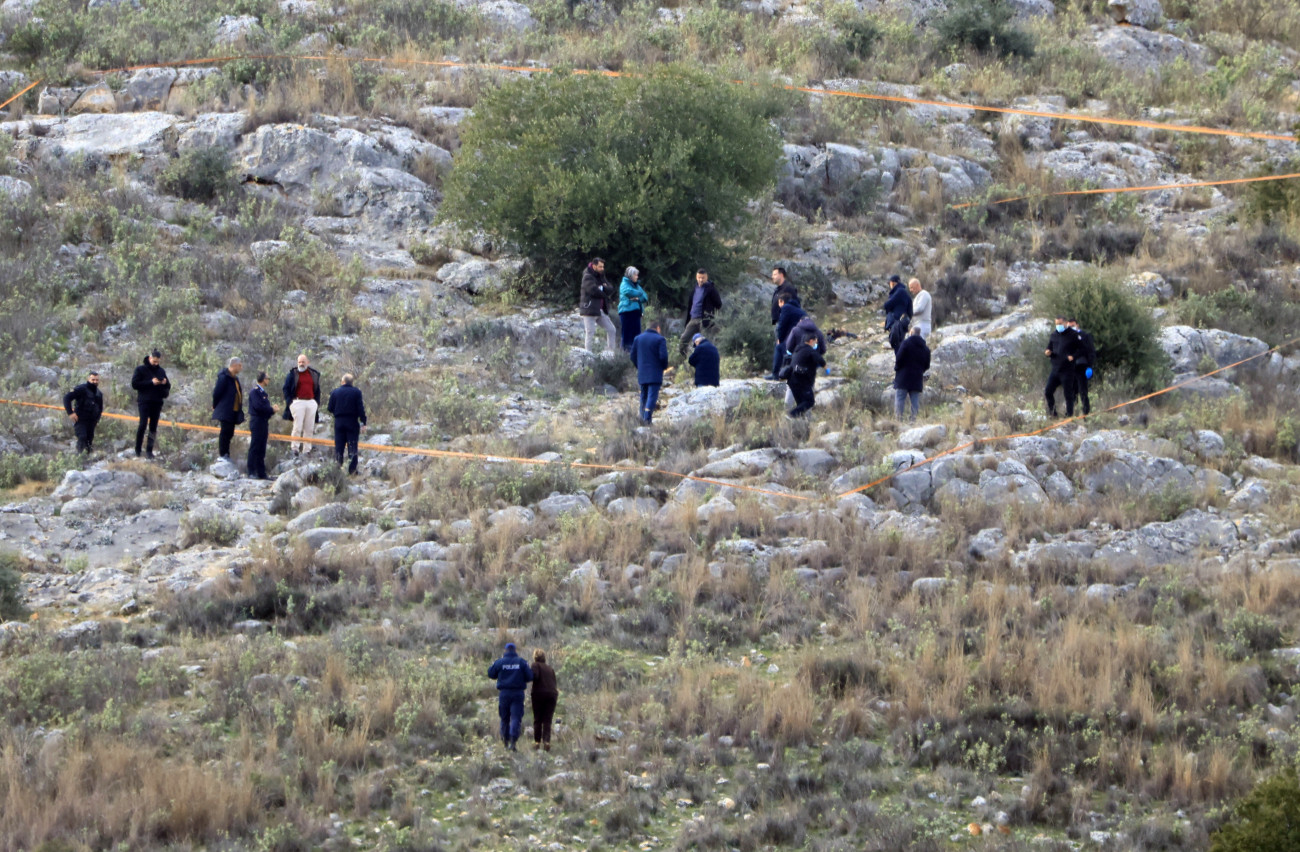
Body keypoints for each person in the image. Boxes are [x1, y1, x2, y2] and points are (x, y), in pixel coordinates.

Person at [487, 642, 533, 751]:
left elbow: (490, 673)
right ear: (515, 651)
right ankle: (513, 742)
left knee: (504, 717)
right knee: (516, 717)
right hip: (517, 693)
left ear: (505, 650)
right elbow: (530, 676)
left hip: (504, 693)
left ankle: (505, 741)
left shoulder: (500, 662)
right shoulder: (521, 662)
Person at [130, 349, 169, 459]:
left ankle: (149, 451)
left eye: (158, 362)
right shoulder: (140, 369)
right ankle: (137, 450)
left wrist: (164, 383)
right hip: (144, 401)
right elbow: (135, 384)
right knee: (142, 424)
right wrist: (150, 382)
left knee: (153, 427)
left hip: (157, 402)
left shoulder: (161, 371)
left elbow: (168, 386)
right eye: (154, 361)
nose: (156, 364)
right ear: (150, 358)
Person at [282, 353, 322, 456]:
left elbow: (317, 390)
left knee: (309, 428)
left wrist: (316, 403)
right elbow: (286, 388)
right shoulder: (293, 374)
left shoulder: (313, 374)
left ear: (307, 362)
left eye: (303, 362)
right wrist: (290, 402)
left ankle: (306, 450)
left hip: (311, 402)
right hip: (298, 402)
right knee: (297, 426)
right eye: (299, 362)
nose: (301, 364)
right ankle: (295, 448)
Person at [630, 320, 669, 424]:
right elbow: (663, 356)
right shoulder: (660, 339)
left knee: (644, 395)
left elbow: (632, 356)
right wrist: (663, 367)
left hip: (642, 373)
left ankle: (642, 418)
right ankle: (647, 419)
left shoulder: (638, 338)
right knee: (652, 396)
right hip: (655, 373)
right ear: (658, 328)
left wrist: (639, 366)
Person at [327, 373, 367, 474]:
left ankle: (337, 470)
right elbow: (360, 409)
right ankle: (352, 470)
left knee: (339, 446)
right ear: (352, 382)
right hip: (352, 422)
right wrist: (363, 422)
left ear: (342, 382)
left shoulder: (335, 392)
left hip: (339, 422)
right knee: (352, 446)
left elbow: (330, 408)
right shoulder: (356, 392)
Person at [579, 257, 618, 354]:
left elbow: (610, 288)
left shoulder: (601, 275)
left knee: (611, 329)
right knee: (590, 332)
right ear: (594, 265)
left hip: (600, 310)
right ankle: (588, 355)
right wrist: (604, 290)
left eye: (603, 266)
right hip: (589, 309)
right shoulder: (587, 276)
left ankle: (610, 352)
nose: (602, 268)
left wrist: (603, 288)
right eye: (600, 266)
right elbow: (593, 290)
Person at [679, 269, 722, 355]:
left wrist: (710, 312)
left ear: (706, 277)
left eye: (703, 278)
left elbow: (718, 304)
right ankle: (683, 359)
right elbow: (691, 304)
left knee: (704, 342)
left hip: (704, 320)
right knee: (683, 339)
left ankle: (706, 359)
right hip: (693, 318)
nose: (701, 280)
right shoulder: (695, 289)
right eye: (699, 277)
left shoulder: (711, 289)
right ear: (696, 277)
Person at [768, 267, 800, 380]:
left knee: (783, 347)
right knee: (780, 347)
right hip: (780, 322)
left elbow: (796, 305)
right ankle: (778, 373)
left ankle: (780, 374)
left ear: (781, 275)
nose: (772, 276)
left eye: (775, 274)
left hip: (787, 323)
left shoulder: (789, 289)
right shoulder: (779, 289)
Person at [1044, 315, 1079, 418]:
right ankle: (1053, 413)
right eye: (1056, 324)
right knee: (1048, 391)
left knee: (1068, 394)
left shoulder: (1073, 335)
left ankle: (1069, 416)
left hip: (1067, 370)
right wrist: (1047, 352)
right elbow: (1049, 348)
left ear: (1065, 323)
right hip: (1055, 369)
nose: (1058, 326)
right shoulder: (1054, 335)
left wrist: (1074, 356)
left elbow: (1081, 349)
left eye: (1060, 324)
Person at [894, 326, 931, 421]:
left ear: (911, 332)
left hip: (903, 376)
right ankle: (913, 420)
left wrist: (898, 369)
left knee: (900, 398)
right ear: (919, 334)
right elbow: (927, 365)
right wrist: (920, 371)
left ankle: (898, 420)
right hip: (917, 377)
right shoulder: (925, 348)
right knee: (915, 400)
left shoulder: (905, 344)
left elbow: (899, 358)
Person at [211, 357, 244, 460]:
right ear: (234, 365)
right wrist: (215, 406)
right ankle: (223, 454)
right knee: (225, 432)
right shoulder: (224, 377)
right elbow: (217, 393)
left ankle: (226, 454)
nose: (241, 367)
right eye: (239, 365)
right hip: (225, 410)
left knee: (230, 432)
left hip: (233, 411)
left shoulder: (235, 379)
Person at [63, 371, 103, 454]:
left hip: (91, 421)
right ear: (88, 379)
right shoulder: (81, 389)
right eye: (93, 380)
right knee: (82, 437)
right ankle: (80, 459)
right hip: (80, 419)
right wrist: (70, 413)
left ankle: (88, 460)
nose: (95, 382)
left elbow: (100, 408)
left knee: (89, 441)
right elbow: (67, 398)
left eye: (97, 380)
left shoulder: (99, 393)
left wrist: (97, 420)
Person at [769, 293, 806, 380]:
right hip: (803, 339)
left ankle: (775, 375)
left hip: (794, 338)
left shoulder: (786, 308)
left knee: (779, 347)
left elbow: (782, 325)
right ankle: (789, 373)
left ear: (782, 301)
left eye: (779, 303)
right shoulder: (800, 310)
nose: (779, 305)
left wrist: (780, 339)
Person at [786, 339, 825, 418]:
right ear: (811, 341)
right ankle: (791, 414)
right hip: (802, 380)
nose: (816, 344)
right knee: (810, 401)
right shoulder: (810, 351)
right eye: (815, 342)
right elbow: (821, 361)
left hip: (791, 380)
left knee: (801, 404)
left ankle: (798, 422)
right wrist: (827, 368)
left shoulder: (797, 350)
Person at [247, 371, 275, 480]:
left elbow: (265, 410)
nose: (268, 380)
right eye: (268, 378)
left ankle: (261, 473)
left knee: (262, 448)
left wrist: (272, 411)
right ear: (263, 379)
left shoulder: (263, 393)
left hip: (263, 422)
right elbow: (258, 407)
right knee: (255, 446)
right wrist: (271, 409)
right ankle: (251, 471)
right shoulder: (255, 392)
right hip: (257, 421)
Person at [530, 649, 559, 751]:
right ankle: (546, 741)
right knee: (547, 720)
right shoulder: (550, 668)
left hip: (539, 693)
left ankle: (537, 742)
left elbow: (535, 676)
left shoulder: (535, 665)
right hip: (552, 694)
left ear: (535, 657)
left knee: (537, 719)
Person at [617, 266, 649, 353]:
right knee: (627, 333)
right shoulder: (624, 284)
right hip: (626, 312)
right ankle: (625, 352)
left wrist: (638, 298)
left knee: (637, 333)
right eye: (635, 275)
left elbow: (645, 297)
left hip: (636, 312)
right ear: (631, 275)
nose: (637, 277)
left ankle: (635, 352)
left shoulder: (637, 286)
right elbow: (628, 292)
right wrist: (640, 294)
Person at [1070, 318, 1096, 417]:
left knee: (1083, 391)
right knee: (1072, 391)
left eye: (1073, 326)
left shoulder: (1085, 336)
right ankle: (1073, 413)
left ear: (1077, 325)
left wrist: (1089, 366)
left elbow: (1091, 351)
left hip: (1082, 366)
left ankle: (1086, 412)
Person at [883, 274, 913, 353]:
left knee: (897, 346)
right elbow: (910, 310)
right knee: (899, 344)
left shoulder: (899, 291)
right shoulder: (905, 292)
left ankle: (901, 364)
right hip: (902, 322)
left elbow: (887, 305)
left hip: (896, 323)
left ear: (892, 283)